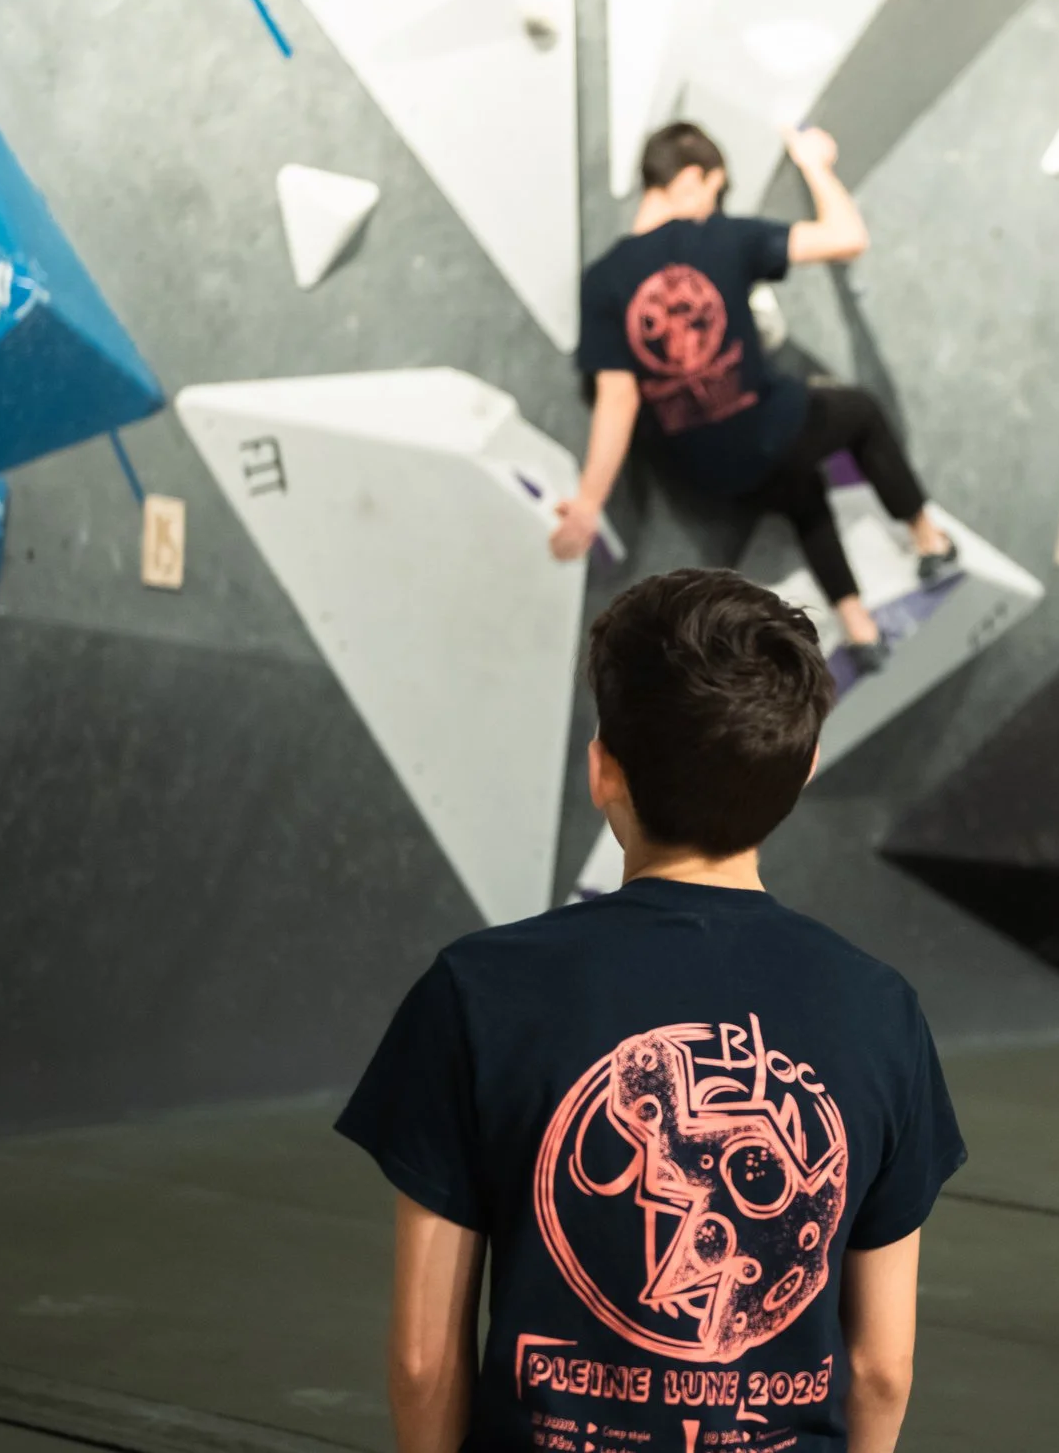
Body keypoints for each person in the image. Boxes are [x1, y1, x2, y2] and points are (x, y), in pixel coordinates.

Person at [337, 569, 967, 1453]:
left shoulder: (478, 990)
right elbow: (881, 1368)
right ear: (806, 766)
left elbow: (422, 1360)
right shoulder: (880, 1012)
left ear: (602, 770)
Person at [553, 123, 955, 675]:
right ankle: (931, 543)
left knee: (801, 491)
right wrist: (814, 164)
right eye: (716, 191)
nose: (715, 207)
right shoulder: (720, 237)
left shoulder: (601, 281)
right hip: (764, 429)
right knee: (859, 413)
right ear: (692, 179)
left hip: (710, 476)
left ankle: (860, 629)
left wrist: (588, 505)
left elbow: (616, 400)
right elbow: (846, 236)